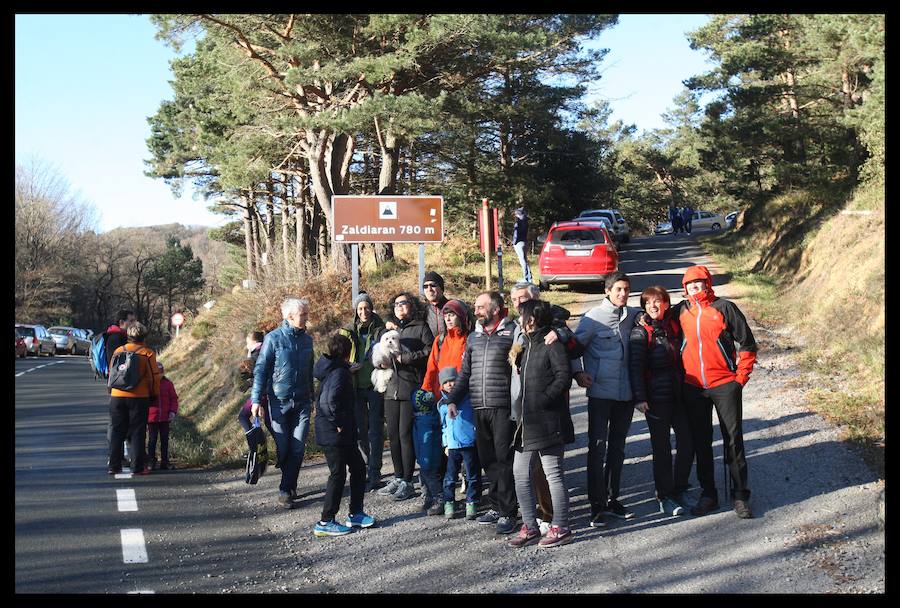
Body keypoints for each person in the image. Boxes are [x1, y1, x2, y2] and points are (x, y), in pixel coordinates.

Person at [676, 265, 758, 519]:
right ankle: (708, 494)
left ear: (708, 284)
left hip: (724, 384)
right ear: (684, 287)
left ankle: (740, 495)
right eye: (690, 284)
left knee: (733, 441)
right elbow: (653, 317)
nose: (694, 287)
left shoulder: (724, 308)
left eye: (699, 283)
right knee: (701, 441)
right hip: (694, 387)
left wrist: (740, 378)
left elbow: (747, 343)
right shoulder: (680, 311)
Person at [509, 281, 582, 534]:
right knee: (520, 473)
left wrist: (543, 399)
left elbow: (563, 377)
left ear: (533, 319)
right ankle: (529, 525)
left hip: (549, 421)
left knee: (553, 475)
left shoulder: (552, 342)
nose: (519, 318)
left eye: (523, 315)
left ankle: (560, 526)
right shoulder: (526, 346)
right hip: (526, 424)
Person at [444, 291, 518, 535]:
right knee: (487, 459)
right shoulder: (474, 338)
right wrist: (452, 400)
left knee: (503, 459)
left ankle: (509, 512)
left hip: (502, 407)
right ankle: (496, 506)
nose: (475, 311)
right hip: (479, 406)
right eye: (475, 307)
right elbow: (465, 373)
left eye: (480, 306)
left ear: (495, 309)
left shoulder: (511, 332)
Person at [573, 272, 641, 527]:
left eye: (626, 289)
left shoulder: (632, 316)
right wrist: (578, 372)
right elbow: (573, 348)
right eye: (618, 290)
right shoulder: (592, 318)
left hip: (625, 394)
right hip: (601, 393)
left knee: (618, 449)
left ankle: (614, 500)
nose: (623, 294)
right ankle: (597, 505)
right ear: (608, 291)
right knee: (597, 448)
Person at [628, 286, 693, 517]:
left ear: (666, 303)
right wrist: (640, 398)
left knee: (687, 442)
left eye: (657, 302)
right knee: (662, 448)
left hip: (678, 395)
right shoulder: (640, 332)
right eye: (647, 303)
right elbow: (635, 368)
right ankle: (664, 495)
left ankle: (681, 487)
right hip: (655, 399)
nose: (653, 306)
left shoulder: (674, 325)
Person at [251, 298, 315, 510]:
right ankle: (289, 480)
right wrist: (256, 400)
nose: (306, 317)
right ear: (289, 317)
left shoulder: (307, 340)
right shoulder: (273, 339)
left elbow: (310, 369)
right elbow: (261, 369)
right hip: (278, 402)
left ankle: (285, 490)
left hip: (302, 401)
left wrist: (312, 396)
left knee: (297, 447)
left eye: (306, 314)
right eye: (303, 315)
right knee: (284, 447)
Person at [313, 333, 376, 537]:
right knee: (337, 475)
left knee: (358, 469)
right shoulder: (339, 373)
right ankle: (326, 520)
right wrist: (338, 423)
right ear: (349, 352)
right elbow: (328, 402)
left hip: (343, 433)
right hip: (334, 433)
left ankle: (355, 513)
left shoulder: (336, 369)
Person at [377, 292, 434, 502]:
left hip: (410, 386)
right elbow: (376, 353)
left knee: (405, 435)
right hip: (390, 387)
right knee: (392, 435)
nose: (400, 307)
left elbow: (430, 352)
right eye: (396, 304)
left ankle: (408, 481)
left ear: (412, 306)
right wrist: (379, 362)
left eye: (404, 303)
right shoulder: (389, 329)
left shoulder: (421, 327)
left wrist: (406, 358)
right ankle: (398, 476)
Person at [417, 298, 472, 515]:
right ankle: (444, 496)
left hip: (466, 402)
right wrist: (425, 393)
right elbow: (432, 370)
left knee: (467, 449)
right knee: (444, 448)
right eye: (446, 315)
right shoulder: (439, 341)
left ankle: (472, 495)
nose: (449, 318)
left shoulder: (470, 340)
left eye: (453, 314)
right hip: (442, 403)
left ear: (462, 317)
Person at [338, 293, 387, 491]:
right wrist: (347, 367)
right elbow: (338, 356)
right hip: (355, 387)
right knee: (360, 431)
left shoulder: (381, 329)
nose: (364, 312)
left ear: (372, 309)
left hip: (375, 386)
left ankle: (375, 471)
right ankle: (365, 466)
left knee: (375, 431)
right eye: (360, 309)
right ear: (355, 312)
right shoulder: (348, 331)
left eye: (367, 308)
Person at [107, 322, 160, 476]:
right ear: (144, 336)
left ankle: (114, 465)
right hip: (139, 397)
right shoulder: (147, 353)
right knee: (138, 431)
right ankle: (137, 467)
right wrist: (154, 395)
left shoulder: (118, 351)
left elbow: (112, 372)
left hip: (117, 396)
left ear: (128, 336)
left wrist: (111, 390)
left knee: (117, 431)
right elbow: (153, 377)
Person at [437, 366, 481, 520]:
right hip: (453, 446)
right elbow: (443, 426)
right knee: (450, 477)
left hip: (468, 443)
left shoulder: (468, 399)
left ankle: (472, 502)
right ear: (441, 386)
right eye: (446, 382)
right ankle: (449, 502)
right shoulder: (442, 405)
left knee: (472, 475)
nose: (450, 384)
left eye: (453, 381)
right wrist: (446, 444)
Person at [104, 310, 135, 466]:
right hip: (120, 384)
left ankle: (117, 456)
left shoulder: (113, 336)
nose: (132, 323)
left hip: (115, 383)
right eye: (130, 321)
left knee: (118, 421)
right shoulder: (117, 338)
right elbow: (119, 364)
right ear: (122, 322)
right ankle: (116, 456)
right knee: (118, 422)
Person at [146, 361, 179, 471]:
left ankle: (165, 461)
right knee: (152, 439)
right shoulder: (148, 384)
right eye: (156, 372)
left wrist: (172, 412)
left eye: (161, 372)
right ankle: (151, 460)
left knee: (165, 440)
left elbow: (174, 399)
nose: (159, 374)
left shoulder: (168, 384)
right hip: (152, 418)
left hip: (165, 417)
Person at [422, 271, 450, 339]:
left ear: (441, 289)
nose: (429, 289)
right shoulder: (422, 310)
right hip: (431, 348)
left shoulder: (453, 308)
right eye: (425, 286)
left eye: (433, 285)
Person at [512, 207, 532, 284]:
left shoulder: (519, 222)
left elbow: (516, 234)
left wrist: (514, 242)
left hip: (519, 243)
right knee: (525, 260)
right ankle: (528, 278)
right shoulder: (526, 221)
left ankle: (526, 278)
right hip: (525, 242)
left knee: (522, 261)